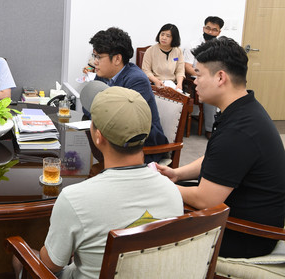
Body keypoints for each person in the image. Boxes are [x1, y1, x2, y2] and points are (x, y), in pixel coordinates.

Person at [14, 86, 183, 278]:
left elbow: (50, 265)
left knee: (20, 258)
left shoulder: (75, 199)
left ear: (98, 136)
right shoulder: (172, 192)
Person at [156, 37, 285, 258]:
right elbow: (213, 158)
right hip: (234, 207)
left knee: (150, 223)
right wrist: (176, 174)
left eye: (198, 74)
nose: (194, 81)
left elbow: (206, 200)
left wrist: (158, 186)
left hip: (245, 234)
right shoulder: (243, 108)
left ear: (220, 77)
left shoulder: (240, 130)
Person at [89, 27, 169, 163]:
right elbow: (91, 106)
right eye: (94, 56)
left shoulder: (137, 80)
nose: (94, 61)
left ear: (117, 59)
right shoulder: (103, 74)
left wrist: (100, 114)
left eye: (98, 57)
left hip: (139, 146)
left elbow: (129, 124)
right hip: (114, 139)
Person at [184, 16, 225, 139]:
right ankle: (210, 129)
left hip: (215, 78)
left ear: (219, 32)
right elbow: (187, 67)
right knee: (212, 90)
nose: (210, 32)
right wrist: (204, 76)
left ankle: (225, 126)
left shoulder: (221, 47)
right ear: (203, 28)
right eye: (208, 28)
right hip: (196, 79)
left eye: (214, 30)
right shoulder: (193, 45)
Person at [142, 23, 185, 90]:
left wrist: (179, 84)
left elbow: (180, 71)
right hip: (155, 84)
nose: (164, 38)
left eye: (168, 36)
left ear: (174, 38)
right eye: (162, 34)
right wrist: (156, 81)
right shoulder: (150, 50)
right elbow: (146, 70)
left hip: (172, 85)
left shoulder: (178, 51)